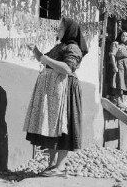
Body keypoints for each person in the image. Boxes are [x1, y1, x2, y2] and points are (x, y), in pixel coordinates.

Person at [23, 17, 88, 177]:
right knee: (51, 126)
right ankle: (51, 165)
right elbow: (44, 60)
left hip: (65, 91)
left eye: (60, 28)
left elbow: (67, 68)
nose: (57, 30)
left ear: (69, 30)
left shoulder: (73, 47)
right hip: (53, 91)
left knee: (63, 128)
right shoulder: (60, 46)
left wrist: (45, 59)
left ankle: (60, 167)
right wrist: (35, 50)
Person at [109, 30, 127, 110]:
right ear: (120, 36)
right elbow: (112, 55)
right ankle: (117, 101)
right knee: (119, 82)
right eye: (123, 35)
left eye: (126, 36)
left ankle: (121, 102)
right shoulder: (116, 44)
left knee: (125, 83)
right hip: (120, 66)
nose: (124, 37)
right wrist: (114, 66)